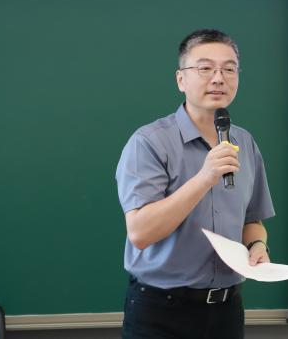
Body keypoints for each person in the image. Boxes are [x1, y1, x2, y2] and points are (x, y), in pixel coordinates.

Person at [116, 29, 275, 339]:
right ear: (181, 79)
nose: (218, 78)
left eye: (229, 69)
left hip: (226, 310)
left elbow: (252, 221)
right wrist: (204, 178)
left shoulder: (244, 142)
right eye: (205, 68)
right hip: (161, 311)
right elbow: (140, 232)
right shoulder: (149, 143)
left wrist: (257, 245)